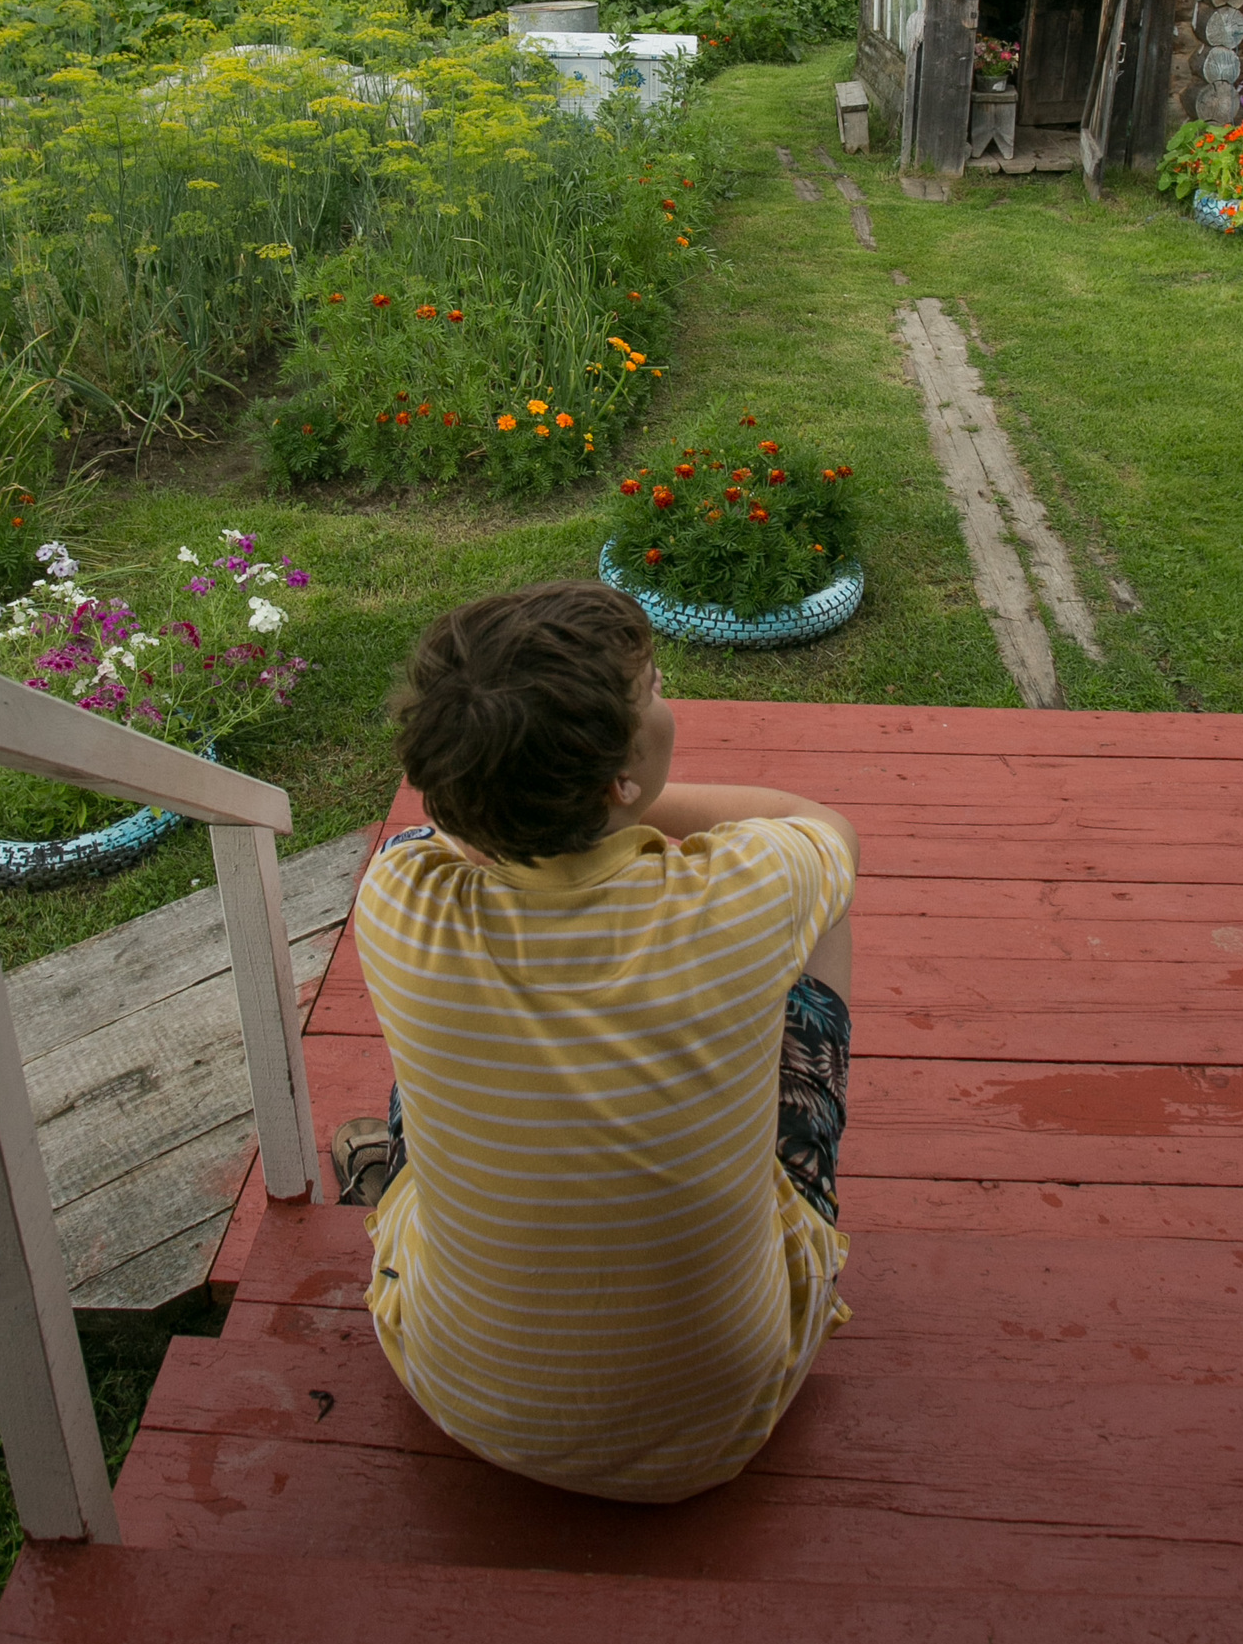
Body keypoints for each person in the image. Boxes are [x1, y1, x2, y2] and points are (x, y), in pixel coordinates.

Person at [335, 578, 858, 1505]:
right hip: (720, 1421)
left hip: (457, 1390)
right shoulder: (746, 888)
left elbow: (439, 835)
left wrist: (546, 802)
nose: (667, 702)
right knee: (815, 947)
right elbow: (821, 824)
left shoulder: (394, 897)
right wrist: (624, 809)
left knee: (440, 1045)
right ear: (618, 778)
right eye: (652, 690)